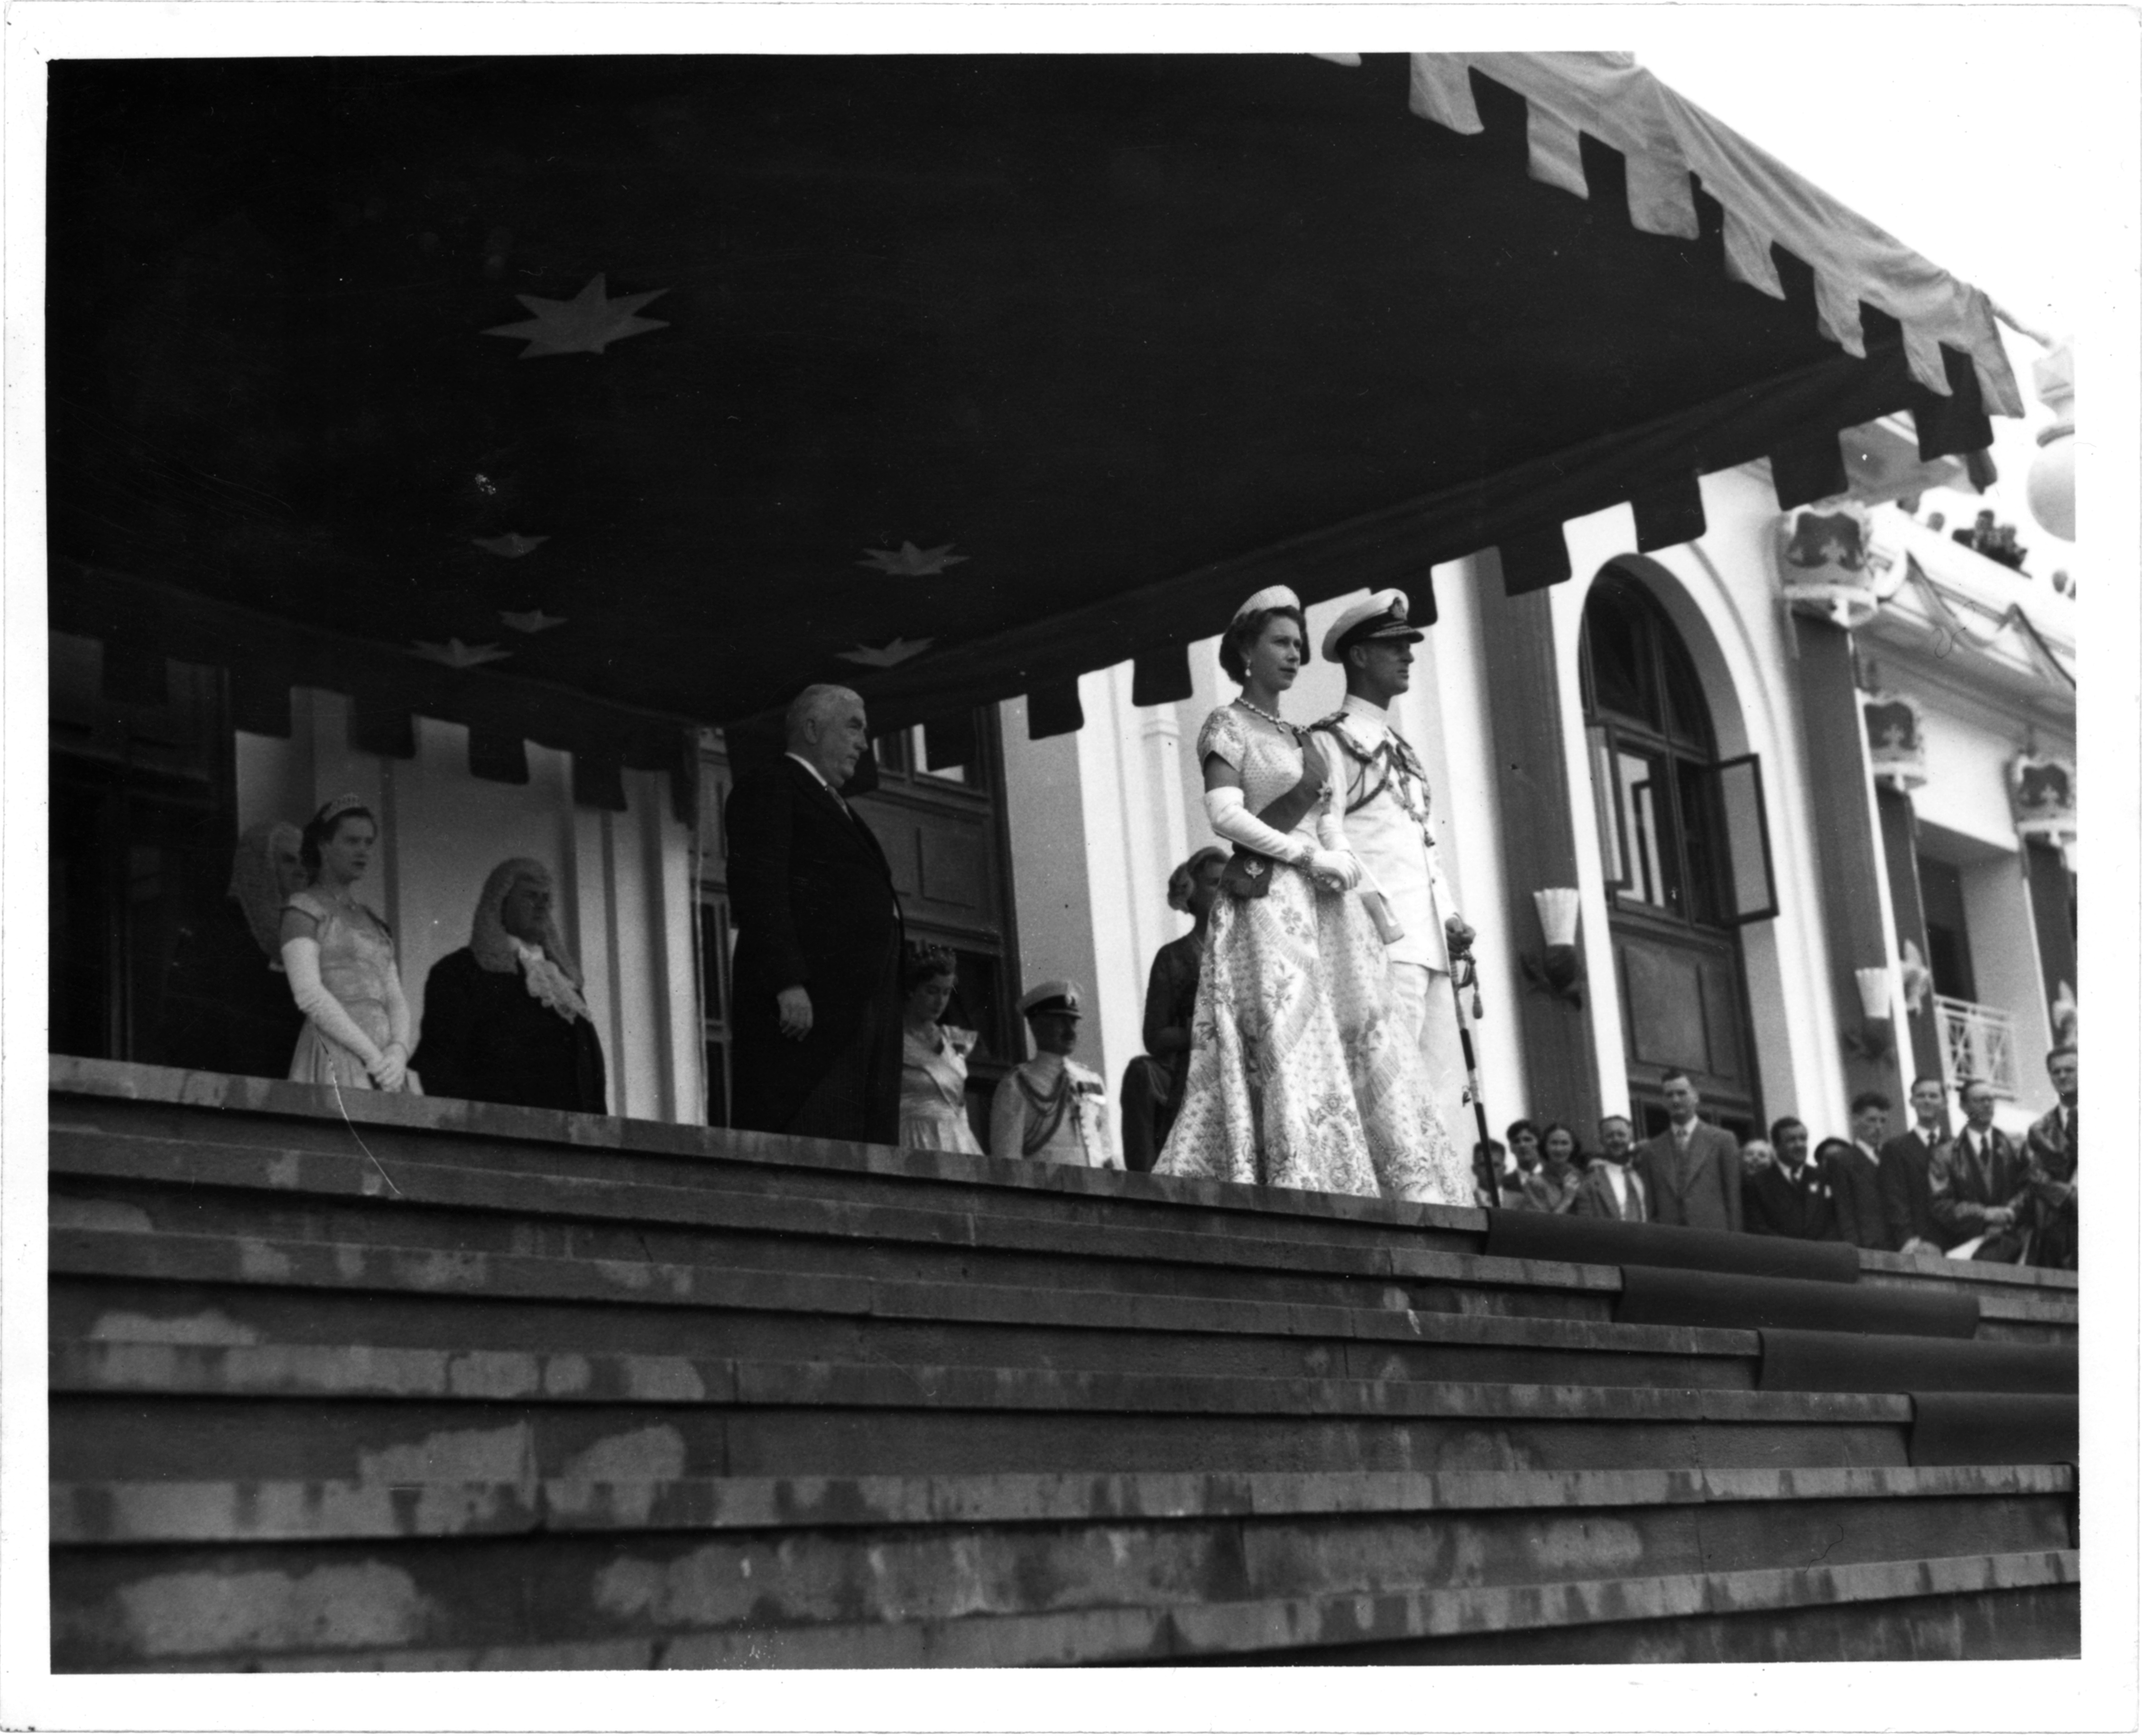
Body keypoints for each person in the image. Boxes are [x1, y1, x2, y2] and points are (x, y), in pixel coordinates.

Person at [1154, 586, 1466, 1204]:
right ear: (1246, 647)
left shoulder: (1301, 734)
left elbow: (1330, 817)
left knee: (1335, 1042)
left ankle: (1343, 1174)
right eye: (1281, 642)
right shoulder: (1227, 723)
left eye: (1299, 645)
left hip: (1319, 905)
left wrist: (1337, 856)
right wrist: (1306, 853)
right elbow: (1224, 813)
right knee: (1284, 1036)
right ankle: (1284, 1171)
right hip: (1266, 902)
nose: (1295, 656)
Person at [1308, 590, 1475, 1135]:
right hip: (1382, 942)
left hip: (1431, 943)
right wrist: (1378, 918)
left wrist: (1448, 915)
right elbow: (1329, 838)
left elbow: (1423, 844)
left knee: (1441, 1091)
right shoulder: (1329, 742)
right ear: (1358, 656)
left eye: (1408, 647)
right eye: (1393, 647)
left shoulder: (1402, 750)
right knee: (1386, 1084)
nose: (1407, 656)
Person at [726, 684, 904, 1145]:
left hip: (860, 1010)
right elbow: (759, 889)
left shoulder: (836, 805)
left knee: (863, 1144)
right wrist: (787, 981)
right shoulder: (771, 786)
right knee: (816, 1139)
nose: (864, 743)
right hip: (813, 1018)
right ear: (811, 728)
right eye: (854, 726)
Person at [410, 859, 607, 1115]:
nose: (542, 906)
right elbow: (441, 1072)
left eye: (546, 898)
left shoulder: (562, 981)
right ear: (500, 902)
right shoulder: (459, 973)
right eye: (530, 896)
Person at [278, 795, 416, 1093]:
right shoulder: (303, 910)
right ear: (324, 845)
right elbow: (309, 994)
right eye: (352, 841)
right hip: (336, 1050)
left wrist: (399, 1051)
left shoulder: (372, 921)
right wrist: (371, 1056)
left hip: (385, 1065)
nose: (363, 852)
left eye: (368, 843)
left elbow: (395, 998)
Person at [162, 821, 307, 1079]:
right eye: (288, 860)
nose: (300, 871)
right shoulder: (222, 931)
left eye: (302, 861)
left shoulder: (302, 930)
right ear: (261, 864)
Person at [1118, 847, 1227, 1173]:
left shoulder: (1246, 953)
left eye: (1227, 884)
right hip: (1188, 1066)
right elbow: (1155, 1036)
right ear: (1191, 893)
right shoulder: (1174, 957)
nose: (1223, 894)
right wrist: (1200, 1032)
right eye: (1213, 884)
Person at [990, 980, 1116, 1169]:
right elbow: (1007, 1159)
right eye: (1060, 1022)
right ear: (1036, 1026)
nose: (1070, 1031)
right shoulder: (1017, 1085)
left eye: (1073, 1022)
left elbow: (1106, 1149)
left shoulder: (1092, 1080)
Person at [1929, 1078, 2032, 1263]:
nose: (1987, 1105)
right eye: (1979, 1100)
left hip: (2017, 1245)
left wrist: (2009, 1213)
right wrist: (1984, 1215)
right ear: (1963, 1106)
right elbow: (1941, 1205)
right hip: (1968, 1249)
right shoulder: (1945, 1154)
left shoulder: (2016, 1146)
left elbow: (2030, 1187)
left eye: (1990, 1100)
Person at [896, 942, 983, 1156]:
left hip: (957, 1141)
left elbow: (960, 1107)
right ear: (911, 990)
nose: (940, 1001)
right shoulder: (894, 1039)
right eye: (932, 991)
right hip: (911, 1137)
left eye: (946, 993)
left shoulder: (953, 1040)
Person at [1636, 1070, 1744, 1231]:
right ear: (1663, 1101)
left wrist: (1735, 1243)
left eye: (1681, 1093)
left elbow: (1733, 1198)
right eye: (1669, 1095)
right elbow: (1651, 1206)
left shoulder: (1723, 1140)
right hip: (1670, 1241)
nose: (1676, 1100)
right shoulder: (1651, 1149)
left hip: (1714, 1239)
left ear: (1696, 1097)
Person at [1879, 1074, 1951, 1256]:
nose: (1927, 1101)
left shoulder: (1957, 1146)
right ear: (1912, 1101)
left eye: (1933, 1096)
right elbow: (1894, 1199)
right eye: (1921, 1096)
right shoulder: (1895, 1148)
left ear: (1944, 1103)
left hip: (1955, 1242)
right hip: (1918, 1244)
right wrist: (1908, 1239)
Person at [2022, 1045, 2077, 1270]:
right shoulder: (2039, 1130)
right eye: (2056, 1072)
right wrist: (2073, 1198)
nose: (2062, 1076)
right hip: (2060, 1233)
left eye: (2070, 1069)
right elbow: (2036, 1177)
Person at [1743, 1120, 1843, 1241]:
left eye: (1803, 1139)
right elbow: (1757, 1227)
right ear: (1776, 1145)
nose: (1800, 1145)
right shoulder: (1757, 1183)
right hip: (1781, 1255)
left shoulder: (1823, 1178)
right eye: (1792, 1140)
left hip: (1822, 1254)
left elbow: (1834, 1221)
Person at [1830, 1090, 1893, 1250]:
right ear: (1856, 1120)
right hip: (1866, 1246)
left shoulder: (1892, 1157)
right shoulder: (1842, 1160)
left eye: (1883, 1121)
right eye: (1872, 1120)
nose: (1878, 1127)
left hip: (1896, 1245)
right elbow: (1844, 1211)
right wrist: (1855, 1249)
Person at [1573, 1114, 1649, 1220]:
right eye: (1610, 1136)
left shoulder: (1641, 1173)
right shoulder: (1590, 1179)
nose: (1616, 1140)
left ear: (1631, 1138)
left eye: (1621, 1135)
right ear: (1601, 1140)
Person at [1516, 1120, 1583, 1213]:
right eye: (1554, 1143)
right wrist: (1567, 1200)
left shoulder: (1582, 1176)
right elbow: (1542, 1225)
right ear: (1545, 1147)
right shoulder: (1534, 1184)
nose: (1559, 1149)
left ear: (1573, 1147)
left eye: (1565, 1143)